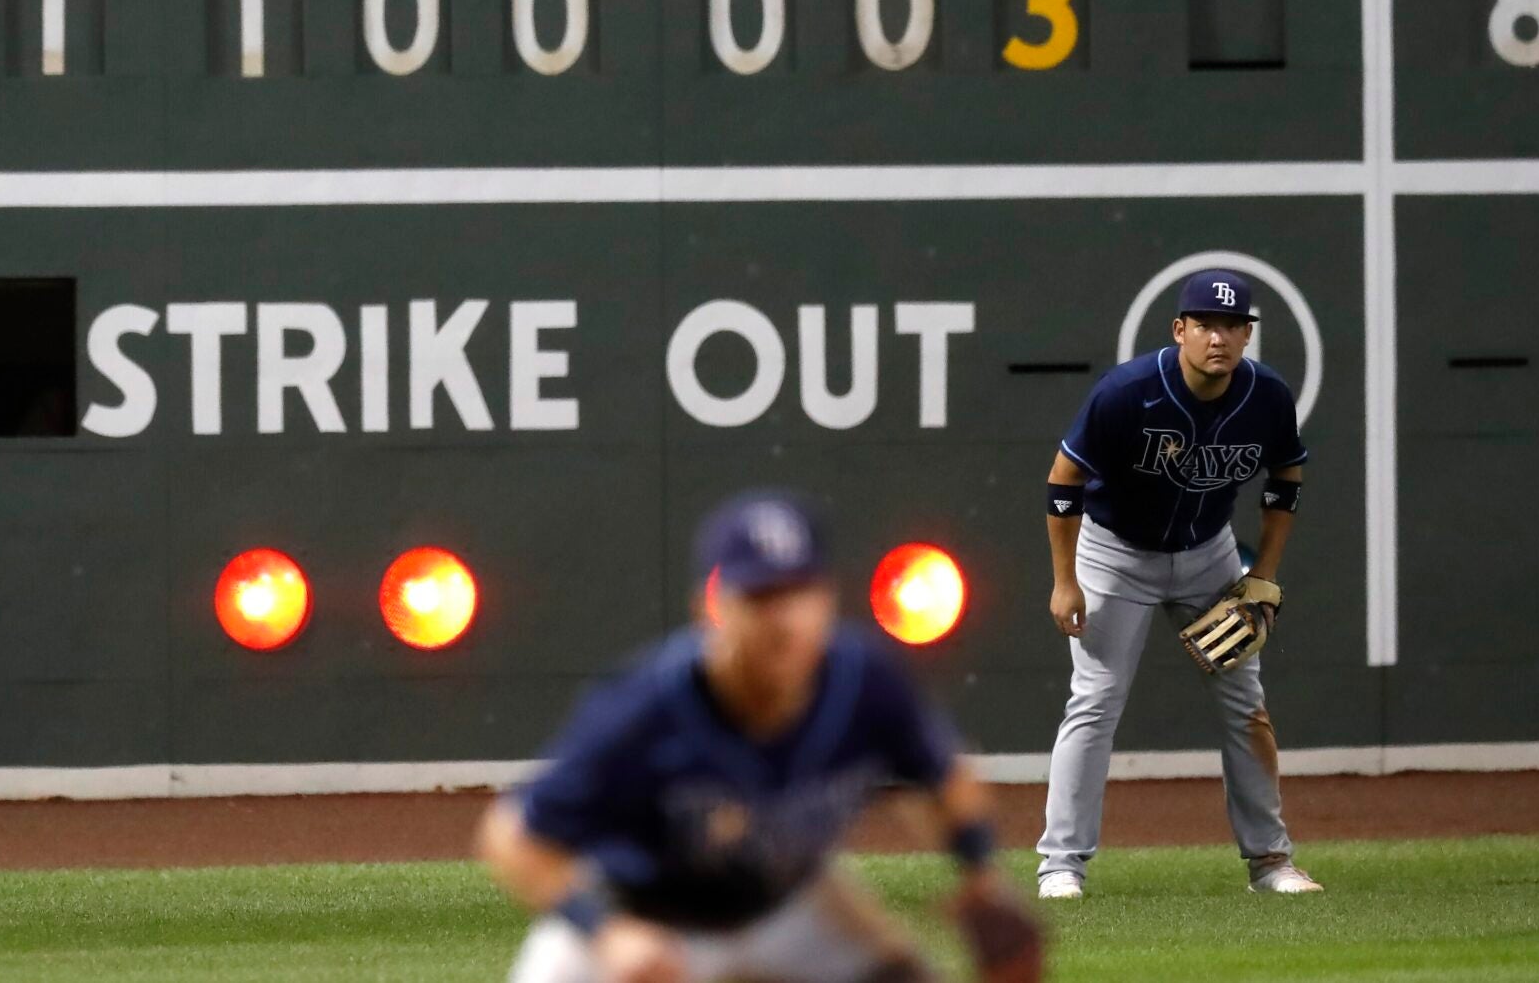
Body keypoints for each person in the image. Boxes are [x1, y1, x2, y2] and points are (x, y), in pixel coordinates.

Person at [479, 491, 1041, 983]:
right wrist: (606, 933)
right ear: (711, 607)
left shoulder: (864, 682)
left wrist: (982, 879)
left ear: (828, 598)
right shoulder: (644, 708)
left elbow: (943, 776)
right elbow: (509, 837)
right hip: (644, 918)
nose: (785, 618)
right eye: (761, 596)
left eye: (799, 591)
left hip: (785, 909)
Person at [1036, 268, 1320, 899]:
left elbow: (1286, 478)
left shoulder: (1267, 396)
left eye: (1232, 325)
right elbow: (1063, 483)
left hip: (1209, 556)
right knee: (1095, 702)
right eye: (1206, 324)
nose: (1218, 337)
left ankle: (1271, 862)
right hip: (1115, 556)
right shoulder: (1129, 391)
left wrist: (1264, 576)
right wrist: (1064, 582)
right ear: (1180, 329)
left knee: (1244, 703)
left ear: (1247, 335)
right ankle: (1061, 864)